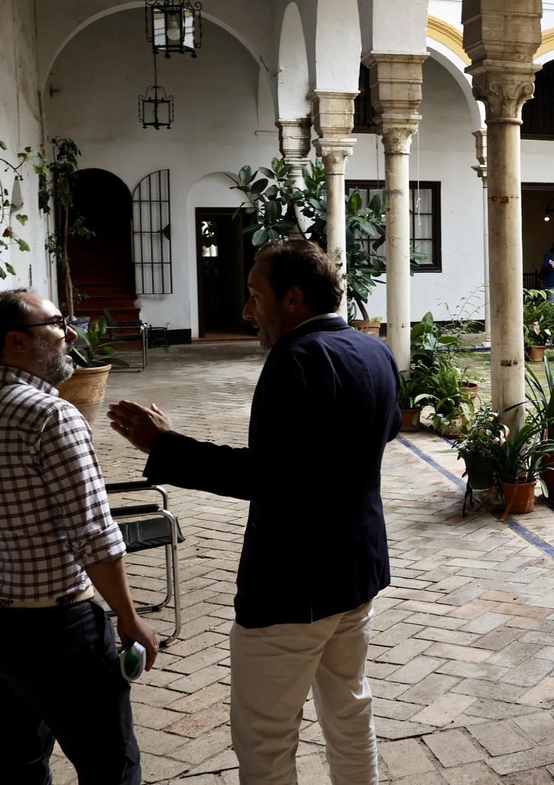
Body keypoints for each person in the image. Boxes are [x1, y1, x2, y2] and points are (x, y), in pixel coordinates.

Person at [107, 239, 399, 785]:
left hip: (292, 586)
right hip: (358, 570)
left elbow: (267, 476)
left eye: (253, 295)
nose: (246, 311)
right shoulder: (373, 352)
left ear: (292, 298)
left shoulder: (296, 359)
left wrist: (165, 446)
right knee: (350, 713)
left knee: (264, 741)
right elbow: (384, 433)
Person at [0, 288, 159, 785]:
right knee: (110, 765)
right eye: (57, 324)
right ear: (16, 342)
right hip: (56, 632)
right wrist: (130, 617)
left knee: (19, 761)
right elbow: (93, 533)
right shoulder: (51, 416)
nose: (70, 333)